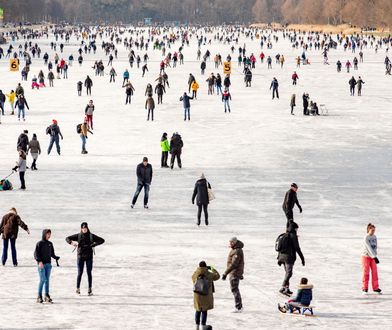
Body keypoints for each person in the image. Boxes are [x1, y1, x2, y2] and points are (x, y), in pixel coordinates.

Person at [66, 222, 105, 296]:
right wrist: (71, 242)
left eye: (85, 228)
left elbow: (102, 240)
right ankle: (78, 289)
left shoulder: (91, 236)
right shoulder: (78, 236)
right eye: (83, 228)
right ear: (81, 228)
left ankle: (89, 289)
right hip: (80, 256)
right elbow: (67, 238)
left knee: (89, 273)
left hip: (89, 257)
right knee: (80, 273)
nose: (84, 229)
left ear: (87, 228)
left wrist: (95, 244)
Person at [277, 222, 305, 296]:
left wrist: (278, 258)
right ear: (294, 228)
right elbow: (297, 248)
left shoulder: (284, 235)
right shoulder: (293, 236)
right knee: (289, 273)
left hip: (281, 257)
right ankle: (283, 287)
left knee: (287, 273)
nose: (297, 230)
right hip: (288, 257)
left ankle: (287, 288)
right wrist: (302, 258)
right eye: (296, 229)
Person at [34, 229, 60, 303]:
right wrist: (39, 262)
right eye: (48, 234)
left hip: (48, 265)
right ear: (44, 234)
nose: (49, 235)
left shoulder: (50, 244)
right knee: (43, 279)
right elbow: (36, 254)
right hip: (41, 265)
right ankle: (39, 296)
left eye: (50, 234)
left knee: (47, 280)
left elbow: (52, 253)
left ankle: (46, 296)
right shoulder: (39, 243)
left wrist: (56, 257)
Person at [192, 261, 220, 329]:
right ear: (206, 266)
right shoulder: (209, 274)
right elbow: (217, 276)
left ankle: (197, 326)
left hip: (197, 295)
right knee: (204, 311)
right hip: (206, 295)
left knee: (198, 310)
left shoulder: (196, 274)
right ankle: (203, 326)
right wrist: (212, 268)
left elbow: (193, 279)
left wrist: (197, 270)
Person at [222, 237, 244, 313]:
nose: (230, 244)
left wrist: (225, 273)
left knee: (235, 289)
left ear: (235, 242)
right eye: (229, 242)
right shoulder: (235, 249)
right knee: (235, 289)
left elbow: (234, 264)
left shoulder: (237, 251)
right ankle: (239, 306)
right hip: (234, 272)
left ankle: (238, 307)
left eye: (231, 242)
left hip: (234, 273)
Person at [362, 223, 382, 294]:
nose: (373, 231)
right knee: (366, 272)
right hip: (366, 257)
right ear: (368, 230)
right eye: (372, 230)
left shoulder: (374, 237)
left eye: (374, 230)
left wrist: (375, 255)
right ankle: (365, 288)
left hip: (373, 257)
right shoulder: (366, 238)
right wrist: (374, 257)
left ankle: (375, 288)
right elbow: (369, 248)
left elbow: (375, 247)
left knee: (374, 272)